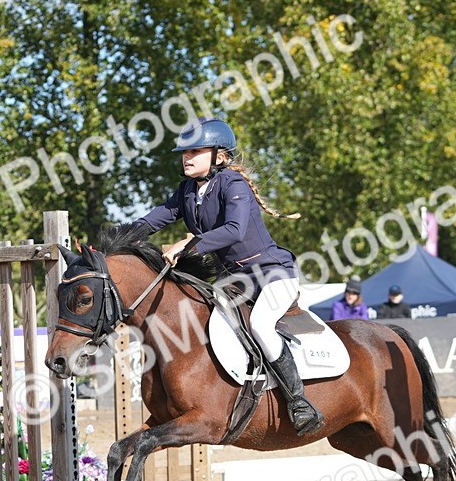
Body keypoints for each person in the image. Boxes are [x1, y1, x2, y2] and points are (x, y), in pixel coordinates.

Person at [137, 117, 324, 435]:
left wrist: (189, 243)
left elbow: (235, 231)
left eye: (195, 151)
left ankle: (299, 403)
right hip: (233, 281)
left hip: (272, 274)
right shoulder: (187, 191)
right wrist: (116, 238)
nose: (187, 157)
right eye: (184, 152)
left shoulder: (232, 185)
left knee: (261, 326)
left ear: (219, 156)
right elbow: (156, 217)